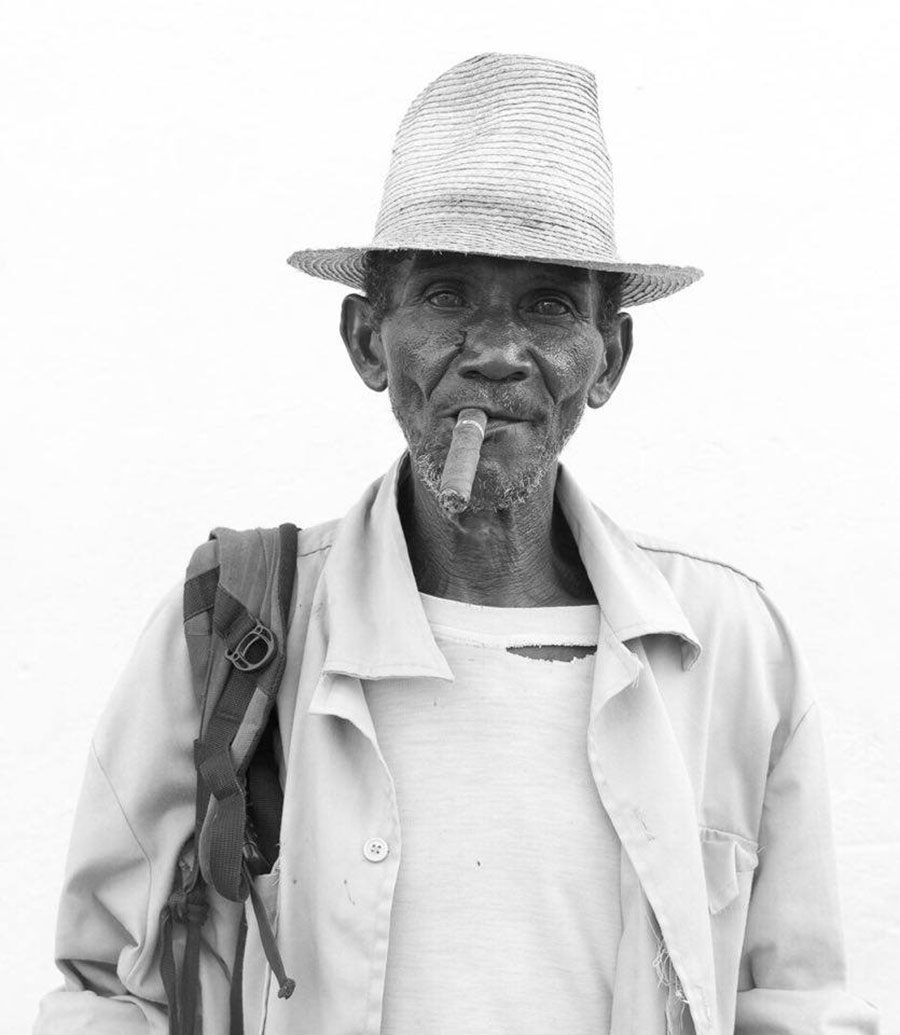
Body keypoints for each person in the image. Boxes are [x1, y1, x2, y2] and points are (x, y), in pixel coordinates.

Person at [35, 52, 878, 1035]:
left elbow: (796, 1003)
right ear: (365, 341)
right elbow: (108, 996)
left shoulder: (731, 644)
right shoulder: (240, 622)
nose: (495, 351)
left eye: (550, 305)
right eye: (444, 297)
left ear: (610, 360)